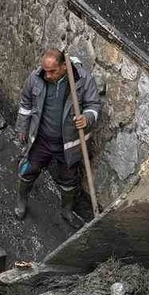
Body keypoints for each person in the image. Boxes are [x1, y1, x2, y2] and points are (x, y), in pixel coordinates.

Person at [14, 48, 101, 226]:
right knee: (28, 170)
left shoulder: (82, 79)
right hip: (41, 140)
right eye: (45, 70)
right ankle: (21, 201)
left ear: (63, 66)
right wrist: (22, 127)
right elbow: (26, 102)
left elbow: (93, 105)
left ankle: (67, 211)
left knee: (69, 180)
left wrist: (87, 118)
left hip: (68, 143)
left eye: (52, 71)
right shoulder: (36, 78)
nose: (47, 75)